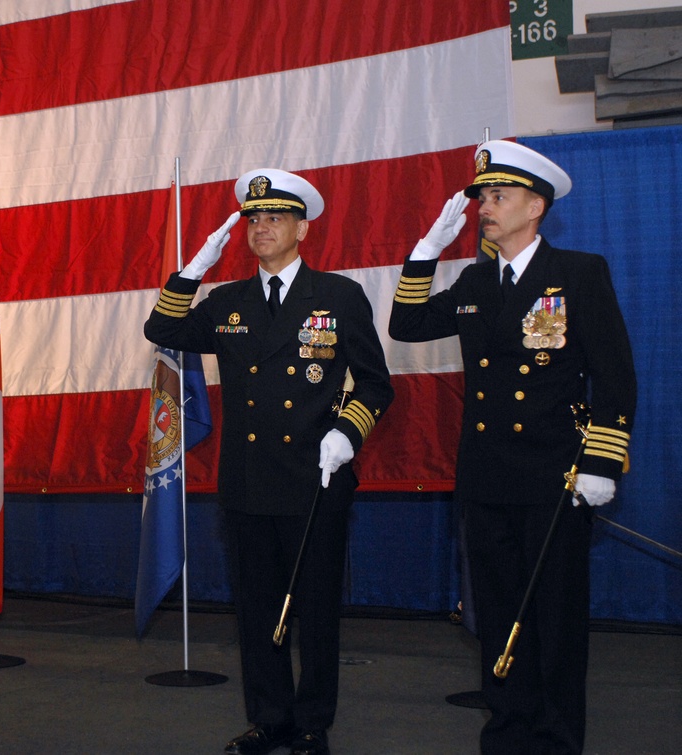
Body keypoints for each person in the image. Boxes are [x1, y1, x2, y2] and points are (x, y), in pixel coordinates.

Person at [389, 141, 636, 754]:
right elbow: (407, 326)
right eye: (482, 199)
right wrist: (425, 254)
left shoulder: (579, 273)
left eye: (498, 197)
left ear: (536, 206)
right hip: (487, 474)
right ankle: (506, 728)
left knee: (553, 616)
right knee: (498, 613)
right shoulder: (476, 280)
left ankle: (554, 737)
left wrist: (602, 460)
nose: (484, 209)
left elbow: (615, 375)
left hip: (555, 476)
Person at [145, 169, 394, 755]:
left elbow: (376, 386)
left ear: (302, 228)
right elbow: (160, 327)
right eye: (253, 219)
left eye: (275, 217)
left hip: (315, 480)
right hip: (249, 481)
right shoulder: (226, 301)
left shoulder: (337, 295)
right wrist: (192, 270)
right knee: (256, 611)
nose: (261, 227)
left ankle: (311, 725)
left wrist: (346, 433)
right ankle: (268, 719)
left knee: (314, 611)